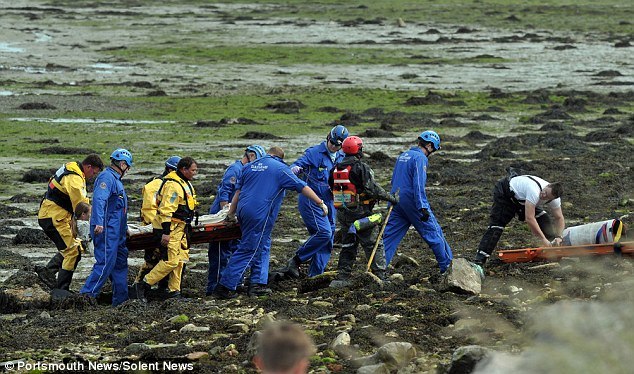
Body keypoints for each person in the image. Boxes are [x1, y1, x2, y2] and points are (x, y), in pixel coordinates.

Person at [213, 146, 328, 299]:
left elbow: (238, 193)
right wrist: (320, 202)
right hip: (260, 213)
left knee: (262, 244)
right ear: (280, 158)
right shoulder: (281, 168)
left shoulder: (249, 167)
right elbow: (303, 187)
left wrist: (231, 213)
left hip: (243, 210)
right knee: (248, 249)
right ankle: (224, 287)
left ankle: (257, 284)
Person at [327, 136, 399, 288]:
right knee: (373, 244)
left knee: (348, 245)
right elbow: (372, 189)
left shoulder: (335, 169)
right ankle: (380, 276)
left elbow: (331, 187)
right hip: (361, 214)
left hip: (343, 214)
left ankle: (342, 276)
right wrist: (391, 198)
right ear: (358, 150)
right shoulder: (360, 167)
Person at [280, 125, 349, 279]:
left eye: (338, 144)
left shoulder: (341, 157)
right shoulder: (314, 152)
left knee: (327, 240)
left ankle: (315, 276)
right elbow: (298, 164)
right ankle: (296, 259)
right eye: (332, 141)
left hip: (331, 202)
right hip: (312, 201)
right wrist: (295, 169)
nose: (333, 145)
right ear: (328, 137)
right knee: (324, 233)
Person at [382, 130, 453, 274]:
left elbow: (394, 180)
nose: (432, 152)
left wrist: (391, 203)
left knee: (388, 238)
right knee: (434, 233)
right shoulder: (420, 158)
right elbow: (418, 184)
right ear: (429, 145)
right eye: (433, 149)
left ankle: (378, 268)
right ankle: (448, 268)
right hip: (412, 202)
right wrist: (423, 207)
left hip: (396, 202)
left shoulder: (403, 155)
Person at [472, 171, 564, 277]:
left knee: (544, 219)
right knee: (497, 227)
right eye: (545, 193)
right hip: (506, 193)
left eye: (547, 197)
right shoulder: (534, 190)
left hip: (523, 200)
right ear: (547, 185)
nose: (544, 196)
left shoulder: (554, 199)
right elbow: (530, 219)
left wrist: (559, 236)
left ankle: (553, 252)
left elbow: (559, 218)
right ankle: (479, 261)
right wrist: (542, 239)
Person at [134, 157, 199, 302]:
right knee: (171, 261)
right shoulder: (173, 186)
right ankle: (144, 284)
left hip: (181, 227)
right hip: (170, 227)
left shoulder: (185, 183)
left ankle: (174, 291)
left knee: (180, 259)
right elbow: (165, 211)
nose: (195, 173)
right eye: (193, 170)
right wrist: (166, 233)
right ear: (183, 169)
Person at [37, 154, 104, 290]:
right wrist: (93, 225)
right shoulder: (74, 179)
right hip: (53, 218)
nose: (93, 176)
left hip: (56, 216)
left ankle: (47, 273)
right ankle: (62, 290)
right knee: (72, 251)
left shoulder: (73, 168)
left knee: (73, 247)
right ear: (88, 167)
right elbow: (82, 207)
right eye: (94, 173)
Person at [207, 145, 266, 296]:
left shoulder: (247, 171)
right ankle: (214, 287)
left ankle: (232, 283)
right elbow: (224, 193)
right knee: (220, 253)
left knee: (235, 250)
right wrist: (225, 215)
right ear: (251, 156)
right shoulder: (235, 169)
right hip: (223, 217)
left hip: (235, 217)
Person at [80, 149, 132, 306]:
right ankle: (86, 296)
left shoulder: (117, 180)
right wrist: (99, 222)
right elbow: (99, 200)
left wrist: (125, 228)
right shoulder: (107, 178)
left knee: (120, 263)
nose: (128, 170)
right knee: (105, 264)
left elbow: (118, 209)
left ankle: (121, 301)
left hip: (118, 233)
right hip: (106, 230)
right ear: (122, 164)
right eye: (128, 166)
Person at [134, 155, 181, 293]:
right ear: (168, 169)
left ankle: (162, 289)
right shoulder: (154, 186)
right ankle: (138, 287)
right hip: (157, 229)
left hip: (171, 228)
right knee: (152, 260)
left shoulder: (176, 184)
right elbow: (149, 211)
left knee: (169, 260)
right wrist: (160, 229)